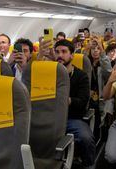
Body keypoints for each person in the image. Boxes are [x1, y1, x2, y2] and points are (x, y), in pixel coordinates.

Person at [39, 39, 96, 168]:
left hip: (71, 118)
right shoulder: (49, 74)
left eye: (64, 52)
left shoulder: (81, 76)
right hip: (50, 118)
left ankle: (89, 165)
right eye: (57, 52)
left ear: (72, 55)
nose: (60, 55)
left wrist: (66, 100)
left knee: (86, 138)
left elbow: (82, 101)